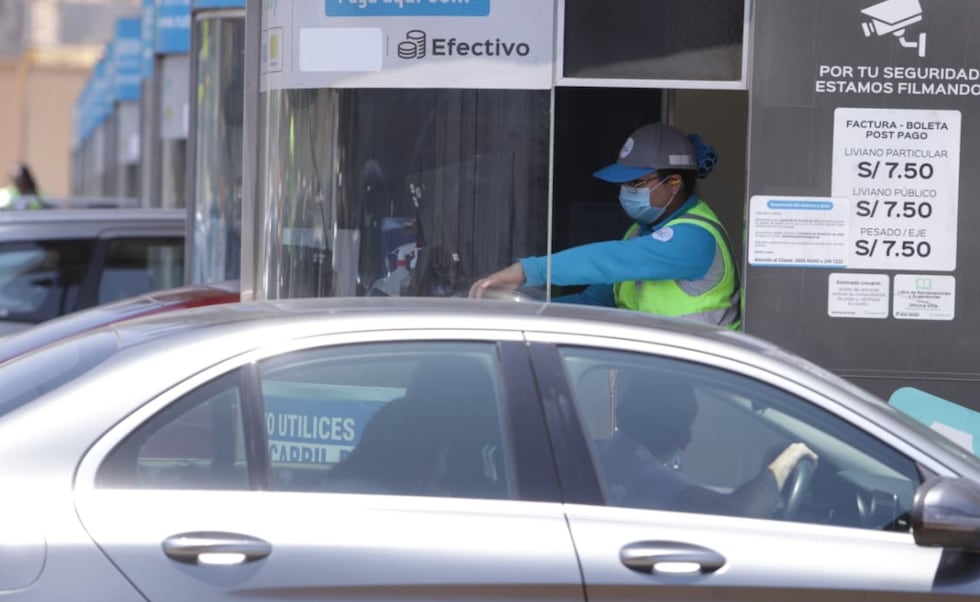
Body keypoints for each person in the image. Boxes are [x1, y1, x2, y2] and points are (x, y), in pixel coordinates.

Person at [469, 123, 740, 330]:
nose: (625, 191)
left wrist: (527, 271)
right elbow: (594, 304)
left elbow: (608, 260)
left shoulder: (695, 238)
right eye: (623, 183)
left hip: (704, 379)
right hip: (659, 373)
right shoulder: (639, 232)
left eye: (636, 183)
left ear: (674, 184)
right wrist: (521, 311)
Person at [598, 373, 818, 519]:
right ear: (680, 436)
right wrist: (788, 458)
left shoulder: (605, 454)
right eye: (685, 426)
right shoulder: (648, 479)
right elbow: (738, 514)